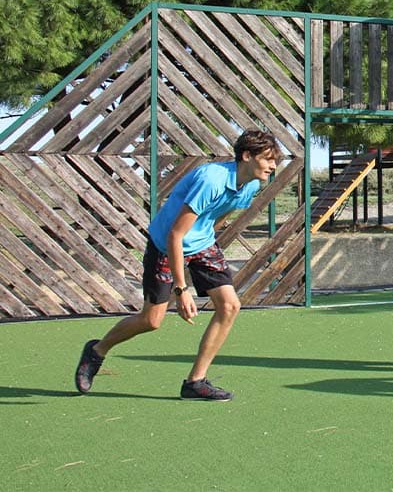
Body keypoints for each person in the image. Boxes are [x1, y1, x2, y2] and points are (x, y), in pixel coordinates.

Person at [74, 130, 280, 401]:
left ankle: (195, 382)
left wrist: (204, 249)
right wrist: (182, 289)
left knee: (230, 305)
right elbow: (175, 235)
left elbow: (218, 217)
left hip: (201, 244)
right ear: (246, 156)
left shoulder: (251, 185)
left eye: (274, 160)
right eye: (267, 159)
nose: (273, 165)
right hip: (166, 243)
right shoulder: (211, 180)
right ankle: (97, 350)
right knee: (151, 320)